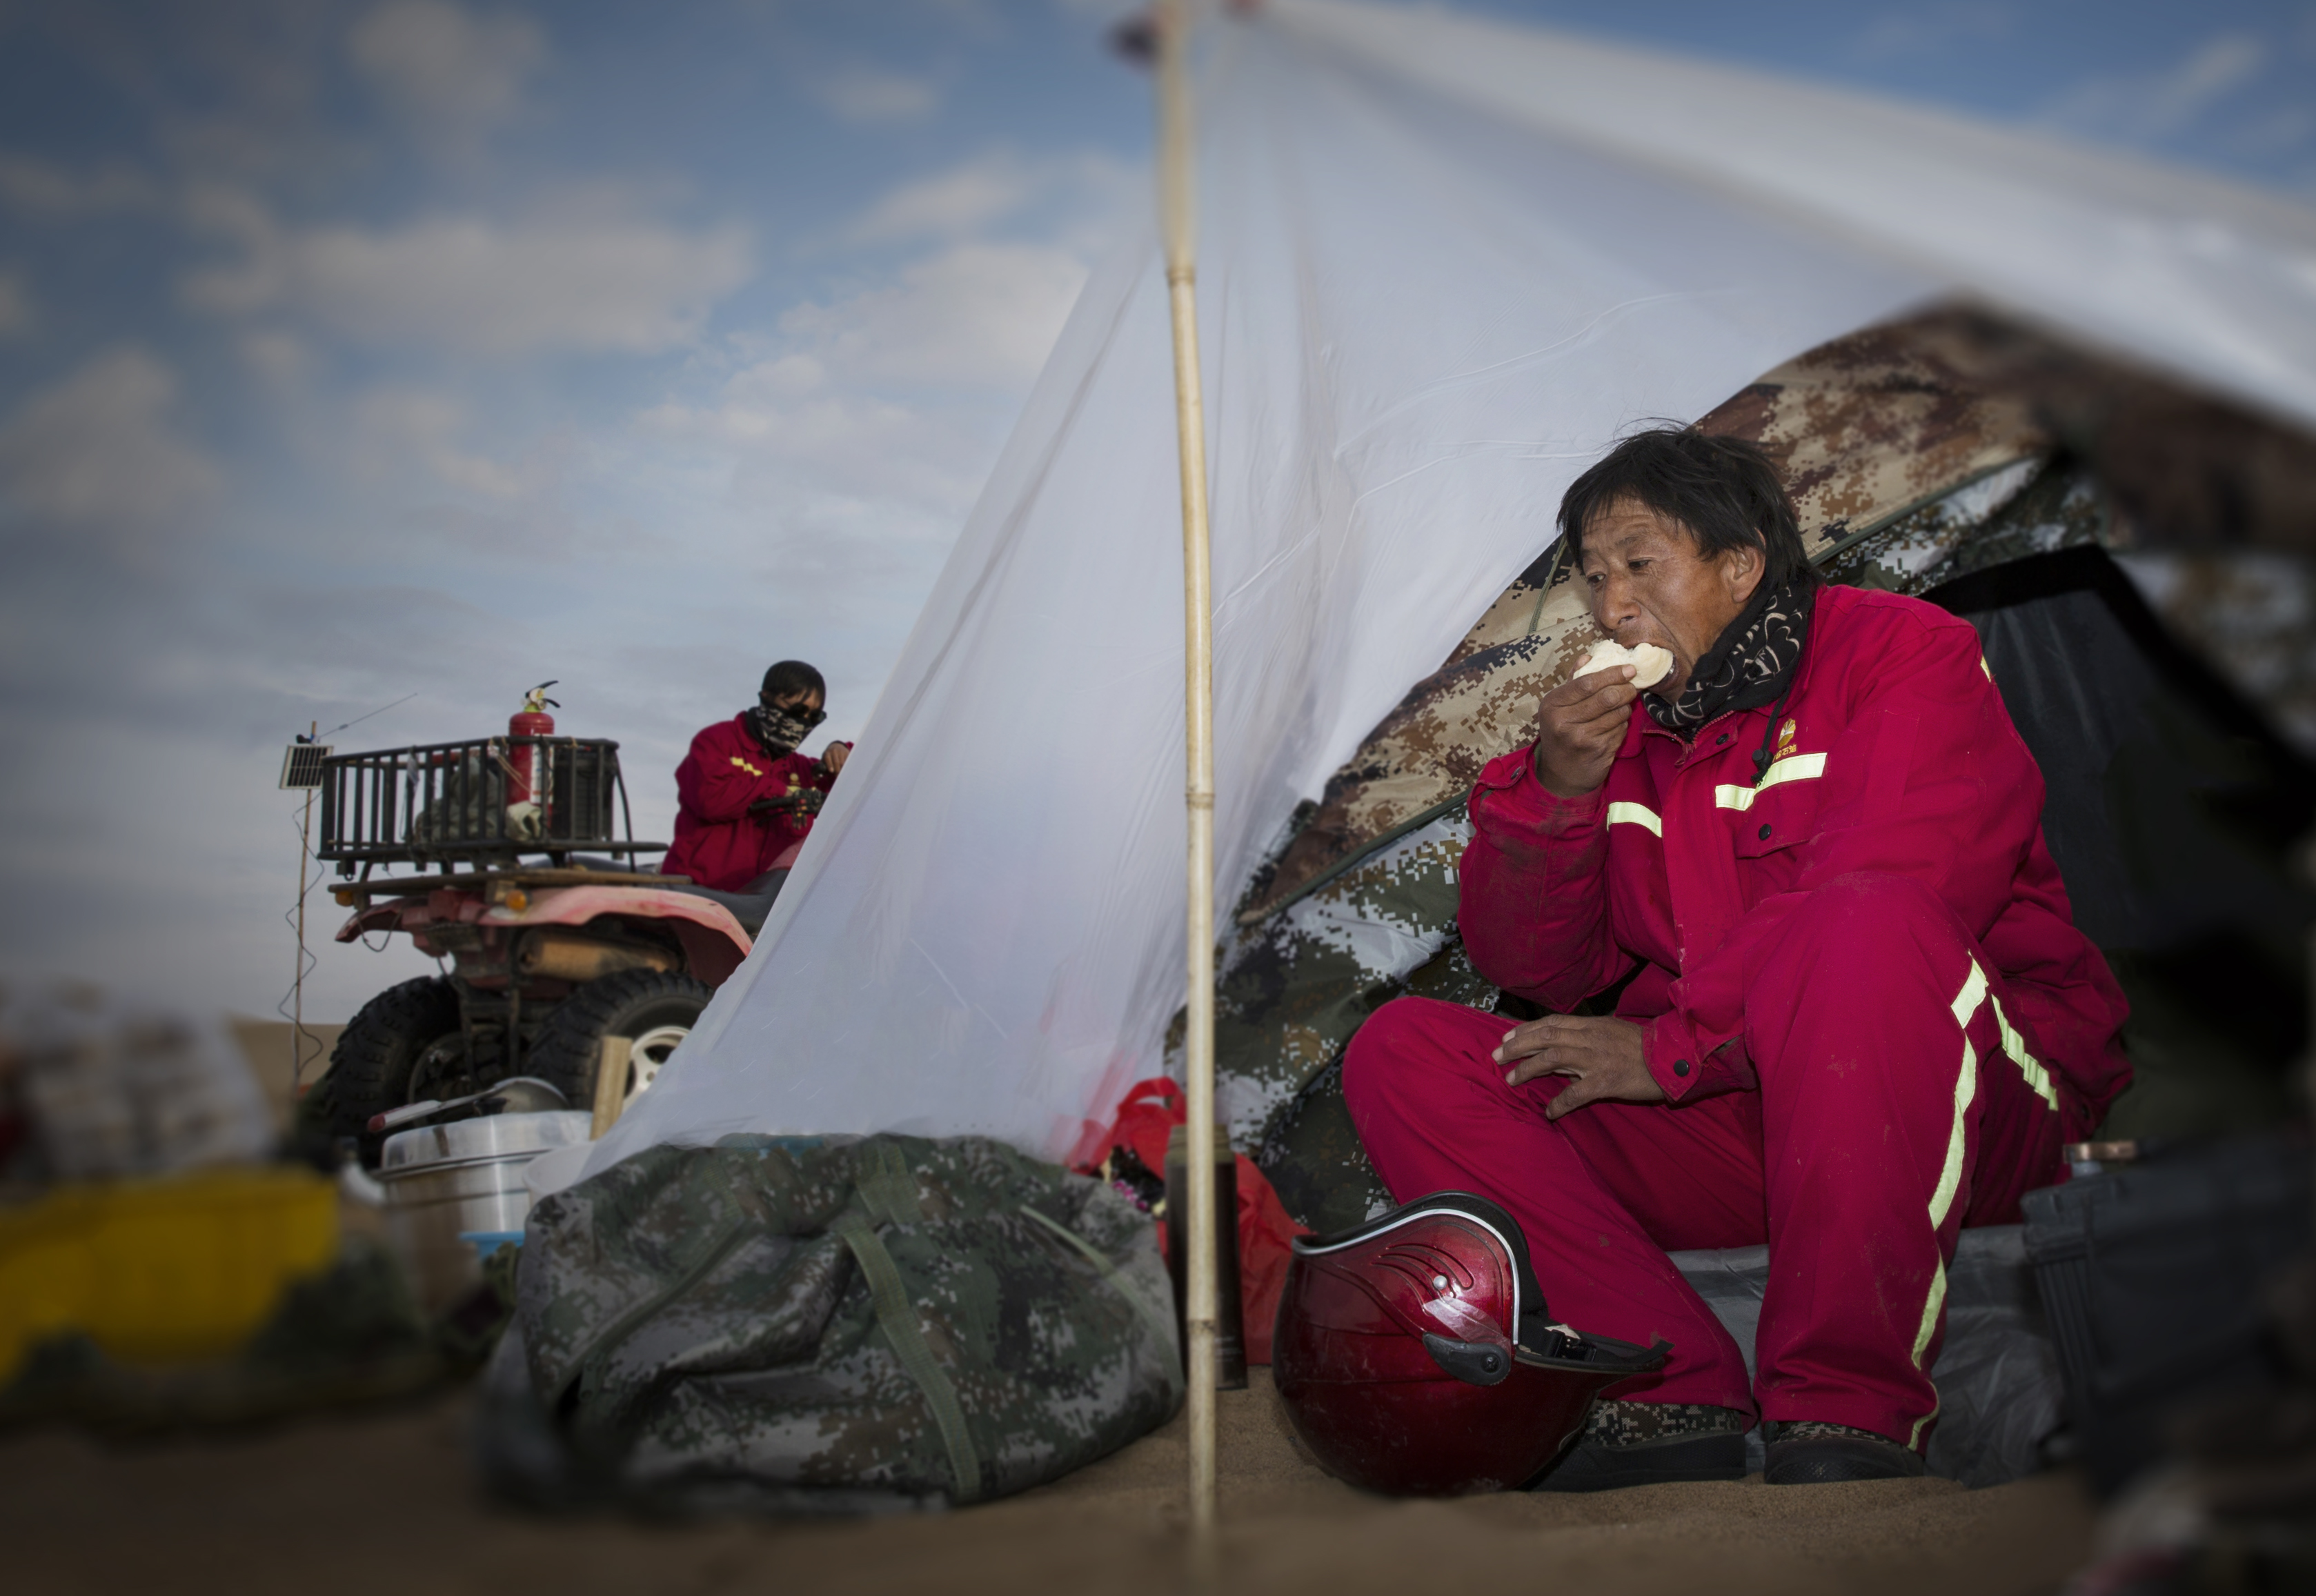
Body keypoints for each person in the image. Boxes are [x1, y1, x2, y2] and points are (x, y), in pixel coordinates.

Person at [1341, 428, 2130, 1489]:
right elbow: (1544, 968)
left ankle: (1845, 1411)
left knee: (1860, 922)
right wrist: (1557, 792)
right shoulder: (1634, 736)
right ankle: (1667, 1388)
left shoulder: (1902, 652)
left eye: (1637, 563)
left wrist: (1673, 1046)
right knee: (1407, 1048)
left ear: (1740, 562)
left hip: (1966, 1104)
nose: (1612, 605)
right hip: (1742, 1125)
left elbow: (1903, 879)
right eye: (1592, 576)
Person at [661, 661, 851, 894]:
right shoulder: (716, 742)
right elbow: (710, 799)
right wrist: (778, 791)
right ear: (767, 697)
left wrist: (843, 749)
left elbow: (870, 776)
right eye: (798, 711)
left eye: (814, 717)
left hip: (761, 918)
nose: (803, 722)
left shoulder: (802, 771)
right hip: (698, 901)